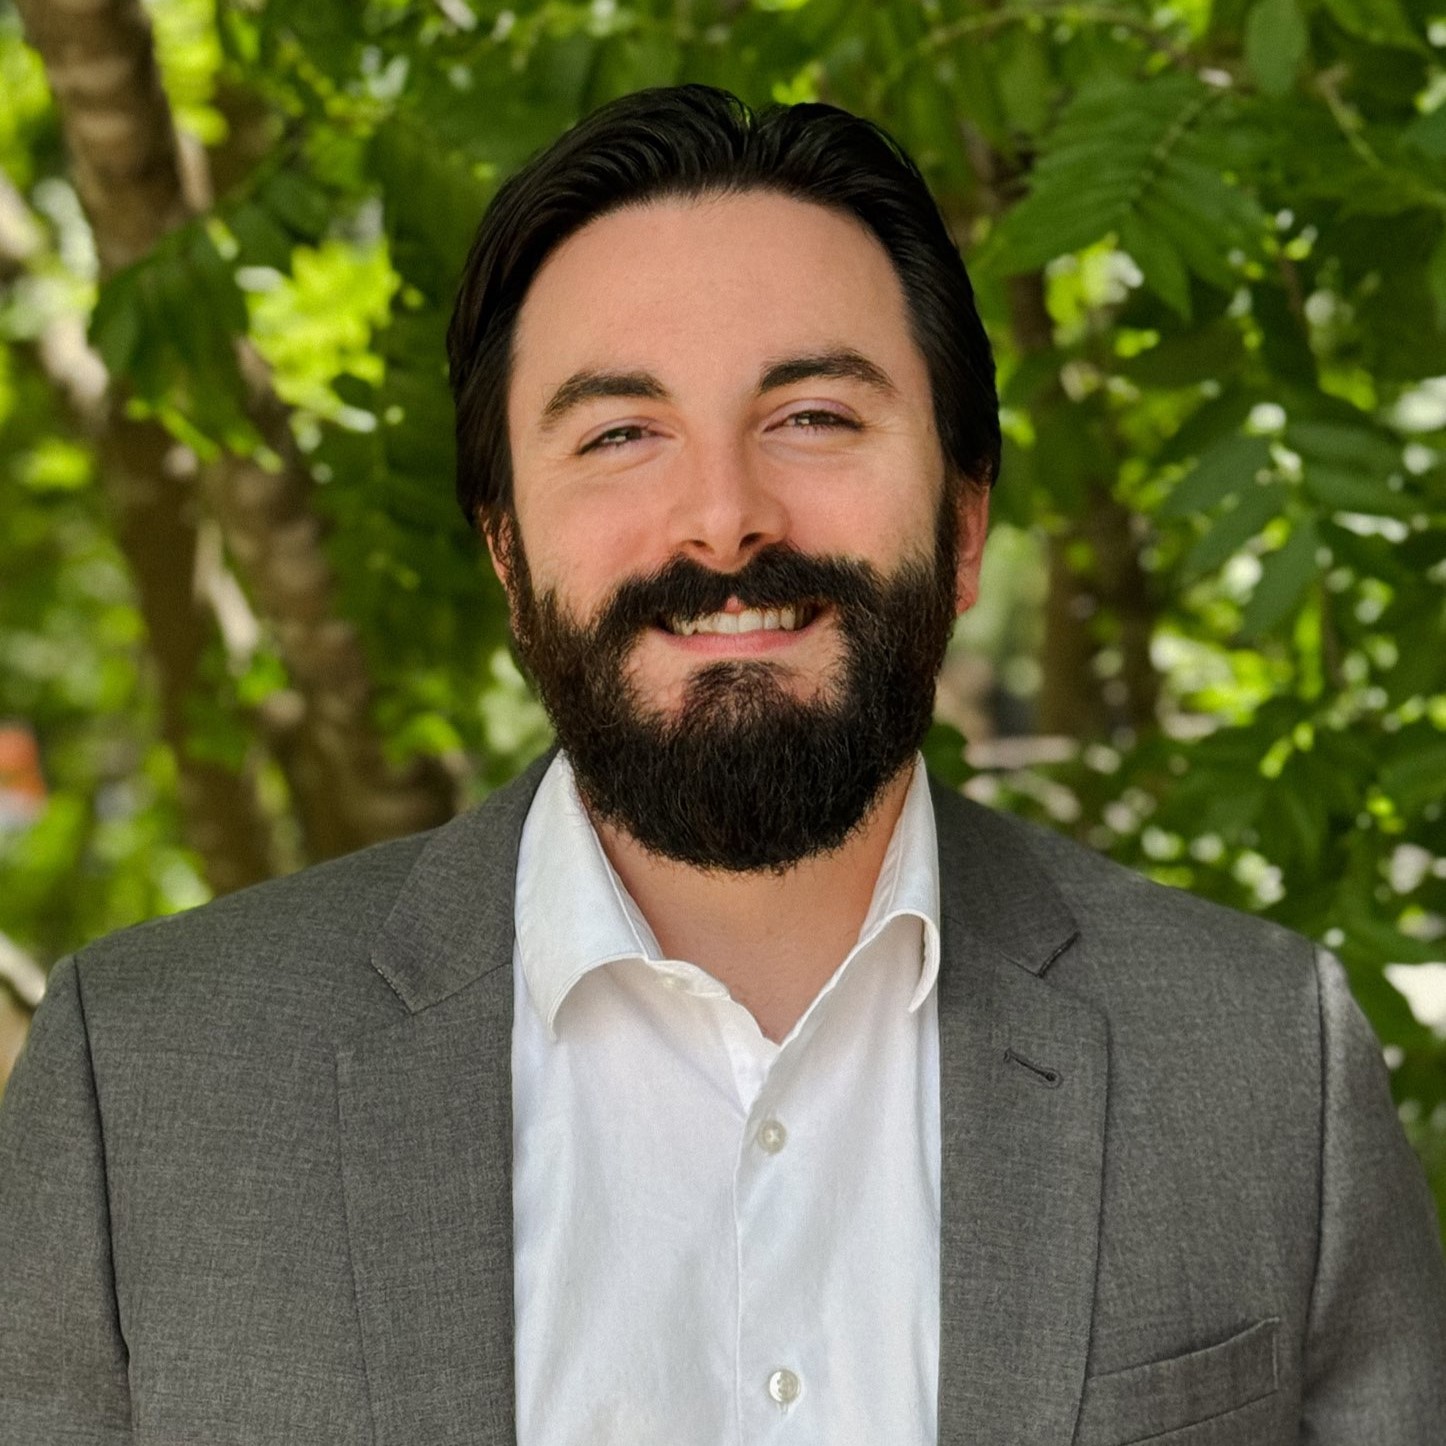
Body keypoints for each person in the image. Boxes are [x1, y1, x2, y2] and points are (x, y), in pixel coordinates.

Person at [1, 84, 1442, 1446]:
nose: (723, 518)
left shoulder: (1262, 1062)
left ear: (960, 522)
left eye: (812, 416)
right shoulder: (145, 1083)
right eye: (621, 433)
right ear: (507, 554)